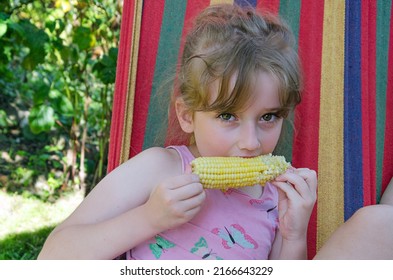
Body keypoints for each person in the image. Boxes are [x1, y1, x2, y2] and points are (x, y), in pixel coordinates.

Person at [38, 4, 393, 260]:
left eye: (268, 116)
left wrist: (293, 234)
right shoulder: (160, 169)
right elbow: (53, 259)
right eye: (227, 115)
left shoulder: (271, 197)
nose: (251, 143)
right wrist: (147, 218)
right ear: (187, 115)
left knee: (380, 224)